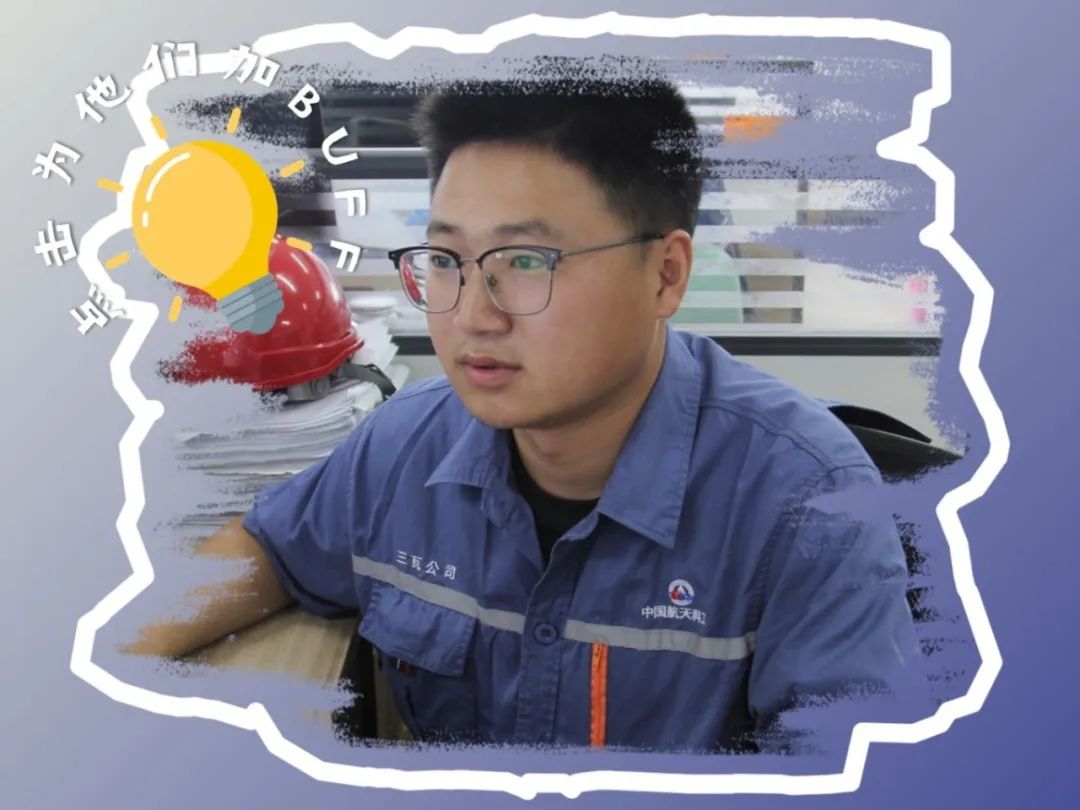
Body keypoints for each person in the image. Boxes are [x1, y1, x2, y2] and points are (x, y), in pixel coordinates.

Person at [128, 74, 923, 754]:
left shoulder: (808, 502)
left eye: (528, 261)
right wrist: (108, 663)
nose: (473, 314)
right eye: (447, 260)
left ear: (666, 274)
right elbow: (269, 548)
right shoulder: (405, 445)